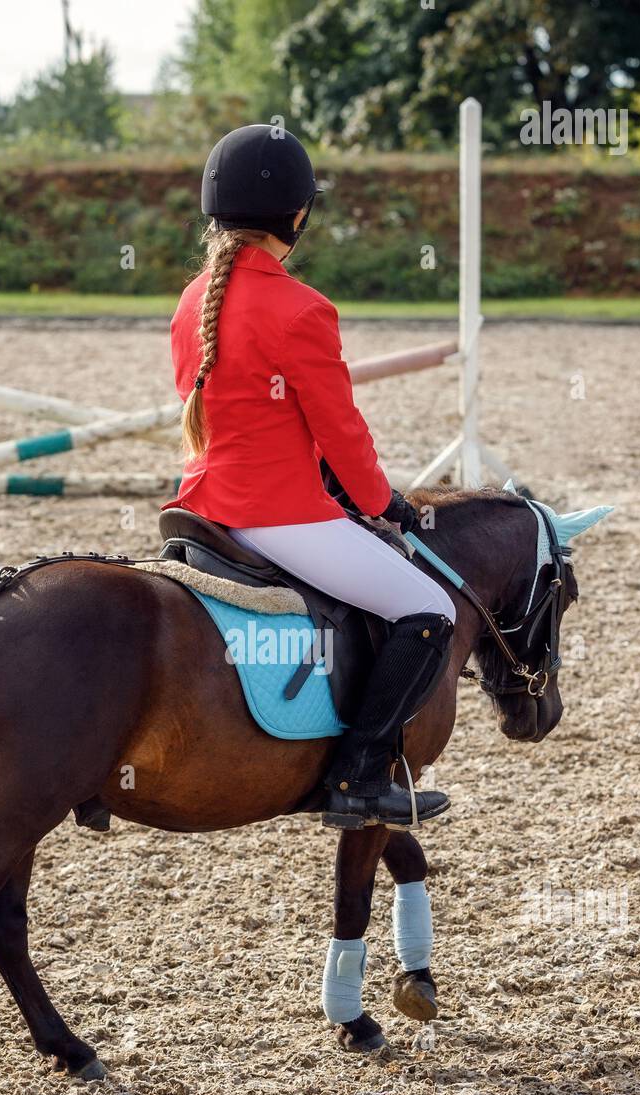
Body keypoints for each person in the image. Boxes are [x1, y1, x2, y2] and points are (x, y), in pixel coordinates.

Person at [164, 123, 456, 829]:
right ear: (297, 215)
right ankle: (359, 777)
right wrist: (382, 502)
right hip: (282, 518)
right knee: (432, 612)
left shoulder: (191, 301)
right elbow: (340, 432)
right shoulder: (301, 308)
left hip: (206, 510)